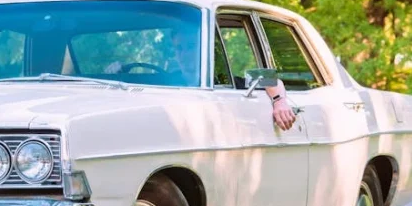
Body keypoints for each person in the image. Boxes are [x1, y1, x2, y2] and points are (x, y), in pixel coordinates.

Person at [104, 27, 297, 131]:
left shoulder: (220, 78)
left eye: (190, 47)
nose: (184, 54)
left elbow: (271, 79)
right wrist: (111, 74)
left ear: (205, 49)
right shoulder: (168, 80)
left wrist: (279, 101)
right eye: (179, 49)